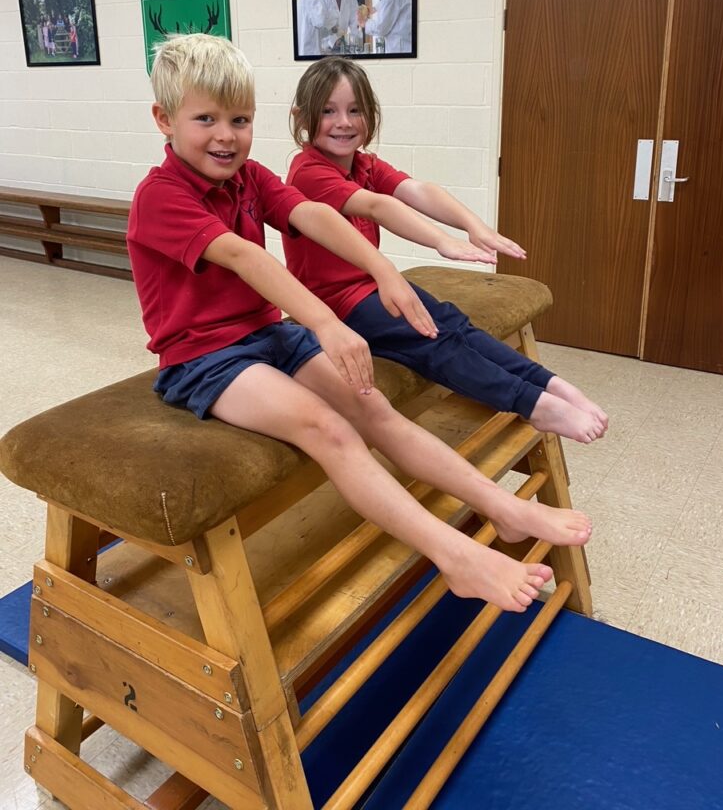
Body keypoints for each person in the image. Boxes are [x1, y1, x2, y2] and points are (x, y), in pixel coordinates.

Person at [127, 33, 592, 613]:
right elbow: (245, 257)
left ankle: (503, 508)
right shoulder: (160, 196)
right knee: (332, 429)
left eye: (240, 119)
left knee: (375, 409)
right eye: (206, 119)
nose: (226, 135)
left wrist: (383, 269)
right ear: (164, 120)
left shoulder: (249, 178)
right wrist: (326, 322)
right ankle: (456, 557)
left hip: (270, 337)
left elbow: (313, 214)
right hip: (205, 359)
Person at [284, 57, 609, 445]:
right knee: (437, 343)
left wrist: (474, 226)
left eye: (356, 110)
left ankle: (552, 385)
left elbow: (418, 190)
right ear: (302, 117)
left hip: (374, 287)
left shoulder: (364, 164)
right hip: (338, 305)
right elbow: (377, 206)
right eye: (329, 111)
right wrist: (442, 241)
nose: (345, 122)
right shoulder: (308, 171)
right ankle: (534, 404)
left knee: (455, 324)